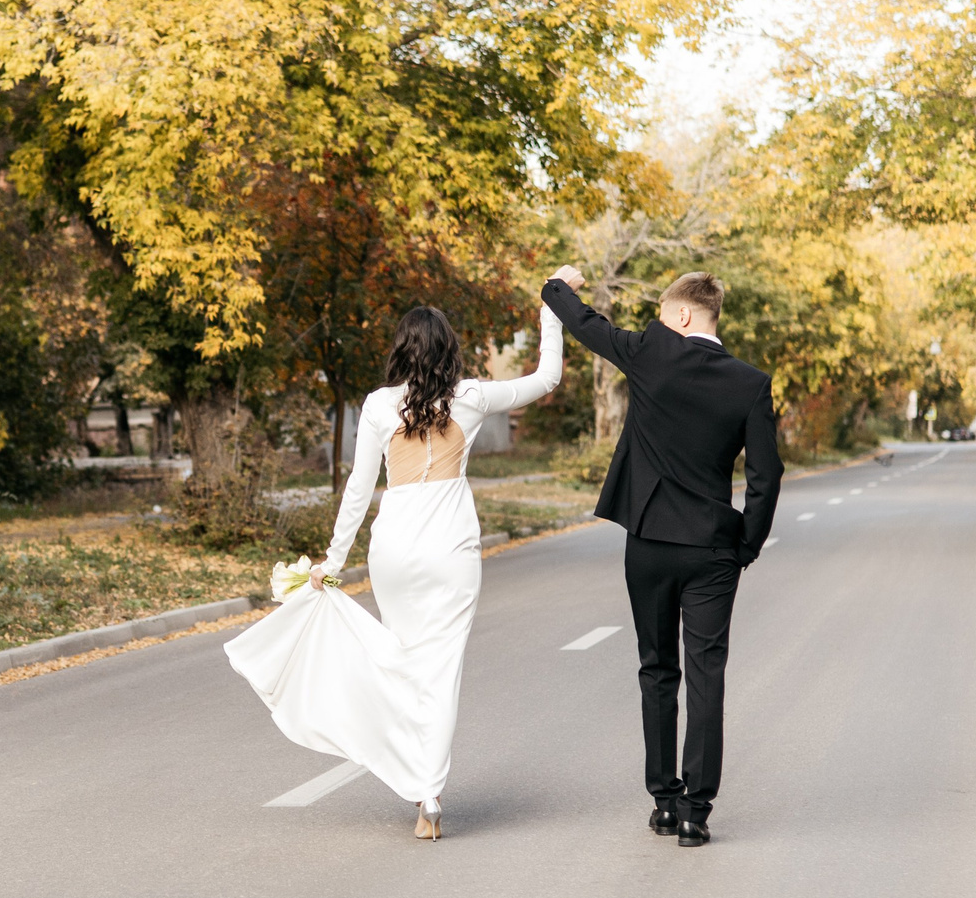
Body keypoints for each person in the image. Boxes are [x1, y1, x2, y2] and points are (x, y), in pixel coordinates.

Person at [224, 300, 563, 838]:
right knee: (440, 671)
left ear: (401, 350)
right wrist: (552, 310)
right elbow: (547, 378)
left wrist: (332, 564)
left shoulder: (380, 406)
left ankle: (414, 777)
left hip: (395, 553)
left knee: (404, 664)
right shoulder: (471, 396)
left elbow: (359, 490)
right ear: (448, 350)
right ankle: (429, 798)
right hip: (451, 551)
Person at [541, 266, 780, 847]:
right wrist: (744, 544)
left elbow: (585, 324)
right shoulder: (750, 383)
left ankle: (664, 801)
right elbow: (766, 476)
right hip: (712, 551)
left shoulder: (651, 353)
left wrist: (557, 285)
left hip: (647, 543)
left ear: (681, 314)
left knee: (656, 670)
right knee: (706, 676)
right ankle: (698, 812)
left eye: (660, 314)